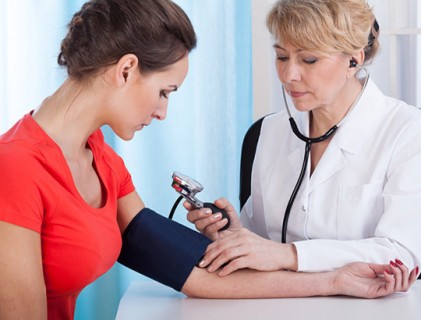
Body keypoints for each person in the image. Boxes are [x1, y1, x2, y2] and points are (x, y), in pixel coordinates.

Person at [0, 0, 417, 319]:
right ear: (126, 70)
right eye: (165, 92)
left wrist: (332, 278)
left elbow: (186, 270)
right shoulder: (15, 167)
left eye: (308, 59)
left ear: (353, 60)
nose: (164, 113)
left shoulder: (100, 158)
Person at [187, 0, 421, 279]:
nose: (289, 76)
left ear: (353, 60)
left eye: (308, 59)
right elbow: (263, 239)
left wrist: (291, 255)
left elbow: (402, 253)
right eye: (282, 57)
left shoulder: (408, 132)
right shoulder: (269, 130)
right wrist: (236, 236)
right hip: (278, 302)